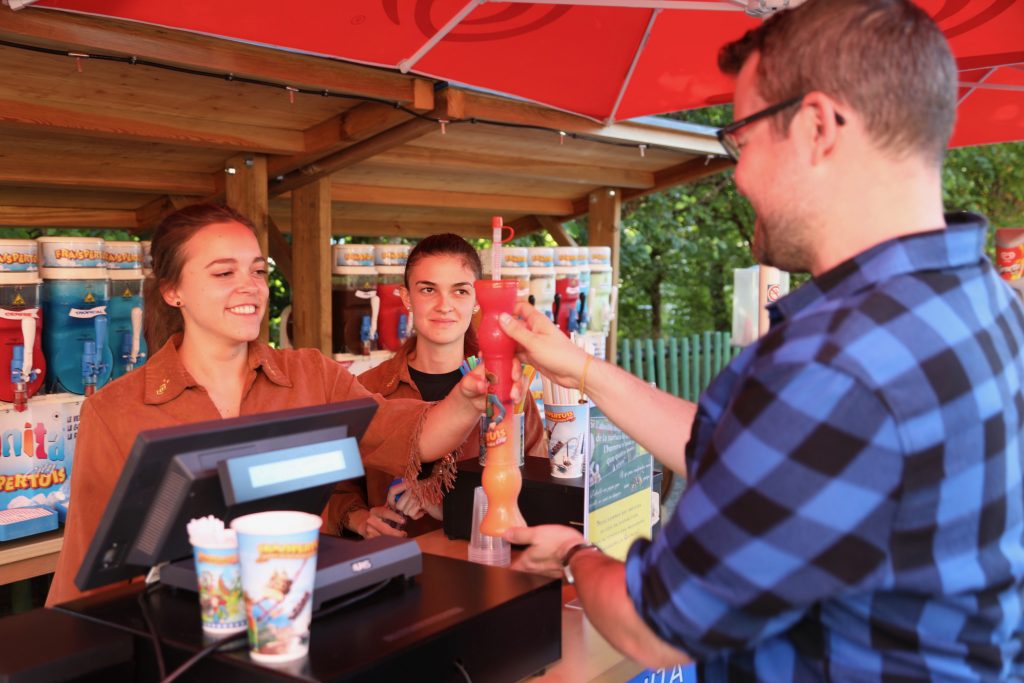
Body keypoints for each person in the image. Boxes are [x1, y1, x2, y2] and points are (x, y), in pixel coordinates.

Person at [499, 0, 1024, 679]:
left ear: (816, 127)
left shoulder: (835, 361)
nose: (738, 173)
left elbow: (653, 624)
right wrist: (583, 370)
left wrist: (575, 553)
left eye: (740, 140)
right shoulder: (984, 300)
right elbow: (754, 450)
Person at [46, 204, 489, 606]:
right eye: (224, 274)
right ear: (172, 291)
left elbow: (417, 436)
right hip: (182, 637)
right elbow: (87, 577)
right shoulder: (115, 410)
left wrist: (473, 395)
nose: (250, 287)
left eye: (258, 271)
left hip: (301, 618)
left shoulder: (312, 375)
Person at [324, 234, 547, 539]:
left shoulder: (505, 389)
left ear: (476, 300)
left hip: (483, 570)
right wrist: (359, 518)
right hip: (390, 569)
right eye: (428, 289)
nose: (444, 305)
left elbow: (541, 491)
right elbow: (333, 486)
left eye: (460, 291)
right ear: (406, 298)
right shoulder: (368, 388)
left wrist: (447, 506)